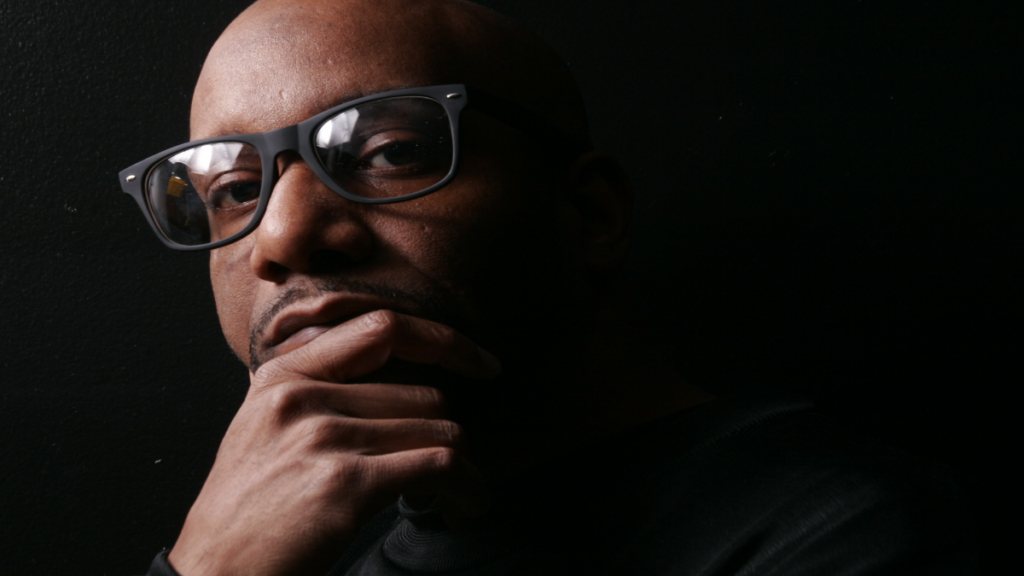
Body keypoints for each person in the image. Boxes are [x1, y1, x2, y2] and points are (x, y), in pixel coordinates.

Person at [119, 0, 973, 574]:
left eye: (387, 152)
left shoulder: (840, 537)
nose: (284, 233)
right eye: (232, 190)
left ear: (590, 214)